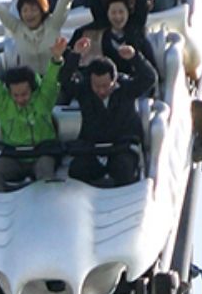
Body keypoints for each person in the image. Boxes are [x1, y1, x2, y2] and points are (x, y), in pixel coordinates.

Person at [0, 37, 69, 192]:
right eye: (15, 95)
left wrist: (56, 59)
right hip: (14, 155)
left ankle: (45, 206)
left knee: (45, 171)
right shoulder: (4, 104)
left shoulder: (43, 99)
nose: (20, 99)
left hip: (42, 153)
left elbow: (51, 81)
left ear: (32, 89)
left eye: (24, 94)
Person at [60, 36, 158, 186]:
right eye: (96, 86)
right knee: (77, 170)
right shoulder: (84, 91)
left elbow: (150, 78)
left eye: (105, 86)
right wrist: (75, 55)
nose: (101, 90)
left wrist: (135, 58)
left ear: (114, 80)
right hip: (92, 148)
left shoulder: (126, 89)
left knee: (124, 169)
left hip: (122, 147)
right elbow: (64, 80)